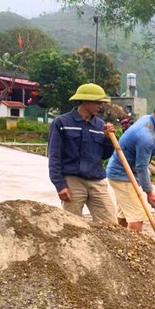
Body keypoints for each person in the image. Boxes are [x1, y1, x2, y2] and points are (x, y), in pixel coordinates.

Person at [106, 98, 155, 231]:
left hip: (124, 172)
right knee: (137, 216)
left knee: (124, 213)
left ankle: (119, 243)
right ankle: (134, 250)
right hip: (122, 175)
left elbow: (142, 165)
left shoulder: (149, 121)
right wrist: (149, 192)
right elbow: (141, 167)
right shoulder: (146, 136)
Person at [47, 83, 117, 224]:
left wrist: (109, 139)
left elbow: (104, 155)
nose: (100, 106)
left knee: (111, 224)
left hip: (96, 180)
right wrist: (60, 185)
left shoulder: (100, 125)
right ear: (85, 101)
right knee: (72, 226)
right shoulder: (61, 123)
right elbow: (54, 157)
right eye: (97, 102)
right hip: (73, 181)